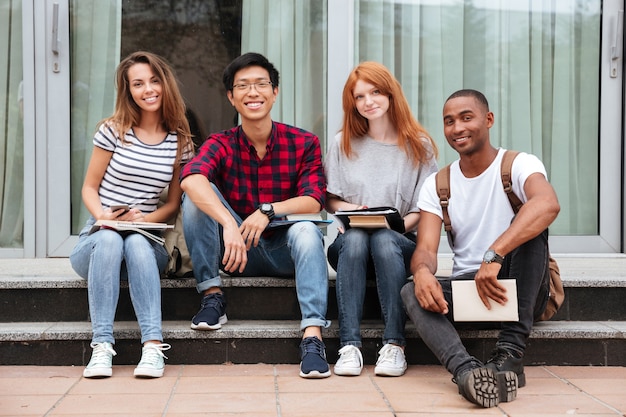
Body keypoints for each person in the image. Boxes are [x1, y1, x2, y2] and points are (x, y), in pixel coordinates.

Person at [400, 89, 560, 407]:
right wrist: (420, 272)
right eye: (449, 121)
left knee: (532, 231)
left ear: (488, 120)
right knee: (410, 291)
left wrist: (494, 254)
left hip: (522, 289)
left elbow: (548, 204)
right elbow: (427, 249)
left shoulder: (518, 164)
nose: (457, 128)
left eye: (466, 117)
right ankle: (468, 373)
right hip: (472, 294)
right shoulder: (437, 184)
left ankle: (510, 354)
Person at [180, 52, 331, 378]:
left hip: (284, 252)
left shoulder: (304, 142)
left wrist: (268, 210)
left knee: (307, 230)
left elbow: (314, 199)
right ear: (231, 97)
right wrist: (228, 224)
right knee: (194, 198)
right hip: (235, 254)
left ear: (275, 92)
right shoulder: (221, 143)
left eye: (261, 84)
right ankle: (212, 296)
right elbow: (192, 178)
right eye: (243, 86)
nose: (253, 92)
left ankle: (313, 336)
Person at [70, 51, 194, 379]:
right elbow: (88, 188)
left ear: (165, 84)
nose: (148, 89)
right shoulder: (113, 130)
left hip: (146, 238)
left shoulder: (180, 141)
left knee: (137, 243)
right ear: (128, 90)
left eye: (154, 81)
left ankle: (152, 347)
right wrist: (103, 216)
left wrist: (144, 220)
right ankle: (101, 347)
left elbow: (173, 203)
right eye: (138, 83)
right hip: (98, 240)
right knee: (111, 238)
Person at [325, 62, 438, 377]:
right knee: (360, 237)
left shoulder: (419, 145)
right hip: (350, 244)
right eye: (359, 97)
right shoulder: (342, 143)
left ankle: (394, 346)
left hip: (398, 244)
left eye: (375, 92)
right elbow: (330, 199)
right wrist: (357, 212)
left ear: (391, 94)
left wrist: (394, 224)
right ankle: (349, 346)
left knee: (384, 239)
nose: (368, 101)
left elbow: (424, 209)